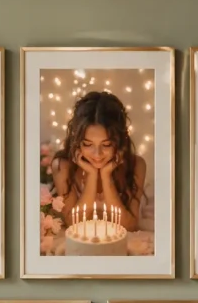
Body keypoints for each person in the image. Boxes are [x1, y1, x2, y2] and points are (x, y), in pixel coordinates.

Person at [51, 91, 146, 232]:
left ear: (119, 141)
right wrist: (92, 175)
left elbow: (129, 226)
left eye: (106, 144)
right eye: (88, 144)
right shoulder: (62, 166)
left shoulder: (136, 165)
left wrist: (106, 175)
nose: (97, 154)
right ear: (77, 142)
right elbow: (73, 224)